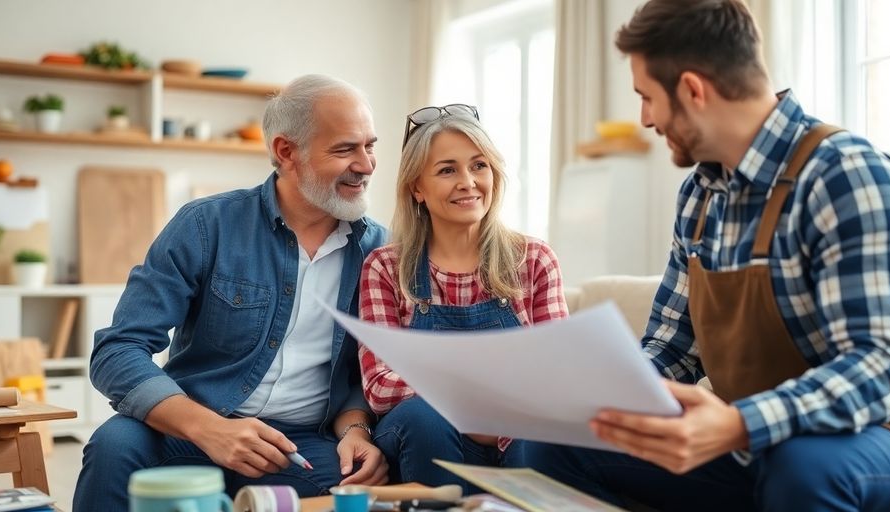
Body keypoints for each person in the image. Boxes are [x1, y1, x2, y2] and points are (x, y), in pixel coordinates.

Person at [518, 1, 890, 511]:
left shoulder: (847, 177)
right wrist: (616, 402)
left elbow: (884, 368)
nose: (644, 119)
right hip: (751, 439)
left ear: (692, 89)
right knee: (554, 445)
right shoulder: (699, 196)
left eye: (646, 97)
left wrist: (740, 423)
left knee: (799, 465)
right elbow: (671, 349)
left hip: (888, 433)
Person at [74, 75, 390, 510]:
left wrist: (357, 431)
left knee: (355, 494)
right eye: (344, 149)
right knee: (113, 445)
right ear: (286, 152)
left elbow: (366, 372)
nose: (367, 164)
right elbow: (117, 350)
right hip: (188, 424)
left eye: (369, 146)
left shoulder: (380, 251)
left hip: (299, 443)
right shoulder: (205, 226)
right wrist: (207, 428)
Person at [357, 106, 567, 492]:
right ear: (416, 188)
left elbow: (553, 374)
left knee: (538, 433)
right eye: (447, 170)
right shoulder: (386, 267)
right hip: (426, 435)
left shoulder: (535, 260)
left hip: (512, 429)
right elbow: (380, 385)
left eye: (479, 165)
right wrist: (474, 406)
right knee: (424, 417)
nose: (468, 182)